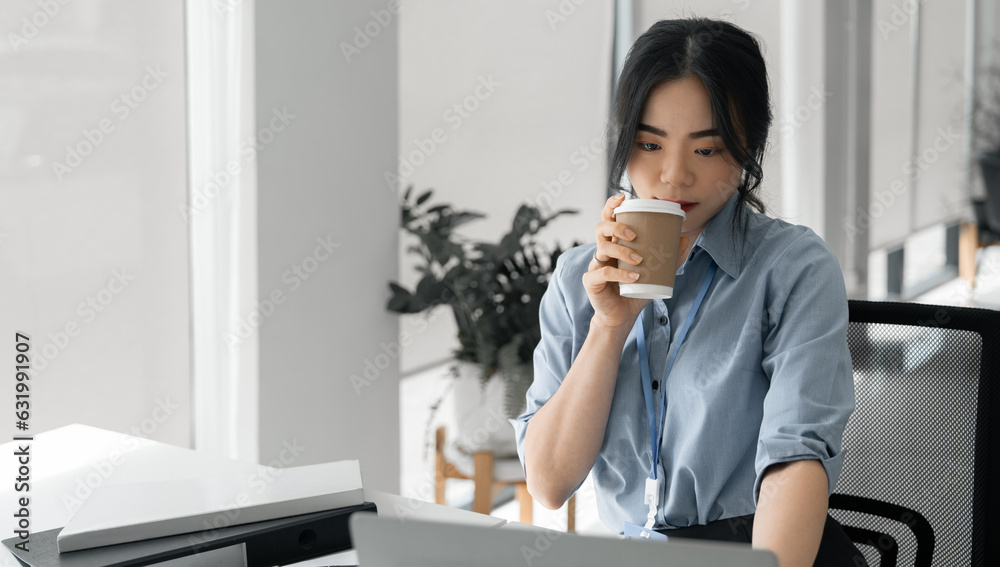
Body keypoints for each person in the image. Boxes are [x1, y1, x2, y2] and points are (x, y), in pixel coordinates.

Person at [511, 18, 867, 567]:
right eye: (649, 143)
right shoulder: (578, 278)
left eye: (708, 149)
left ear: (750, 147)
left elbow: (795, 460)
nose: (674, 177)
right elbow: (550, 484)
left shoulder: (793, 268)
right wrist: (609, 328)